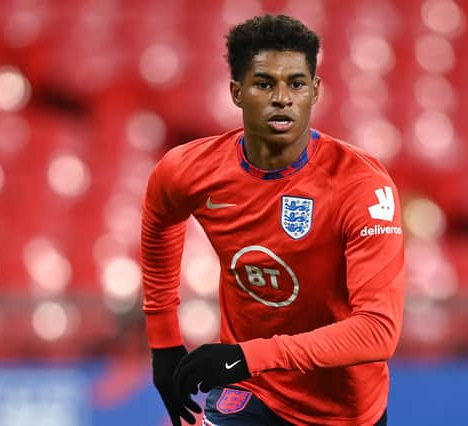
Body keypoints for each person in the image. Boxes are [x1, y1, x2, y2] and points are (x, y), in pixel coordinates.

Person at [141, 14, 405, 426]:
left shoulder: (362, 186)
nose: (282, 98)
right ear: (237, 92)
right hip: (252, 392)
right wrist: (164, 344)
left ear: (315, 91)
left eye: (296, 84)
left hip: (344, 411)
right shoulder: (188, 170)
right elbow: (160, 220)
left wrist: (247, 357)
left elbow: (377, 331)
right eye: (264, 84)